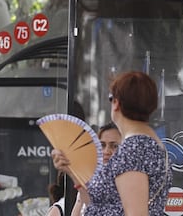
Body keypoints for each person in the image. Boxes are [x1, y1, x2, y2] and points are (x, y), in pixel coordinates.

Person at [52, 71, 172, 215]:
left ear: (116, 103)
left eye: (111, 98)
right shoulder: (147, 144)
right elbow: (103, 201)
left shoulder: (133, 150)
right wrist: (72, 170)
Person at [70, 122, 121, 216]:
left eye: (114, 146)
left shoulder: (128, 183)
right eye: (102, 145)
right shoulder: (91, 180)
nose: (106, 151)